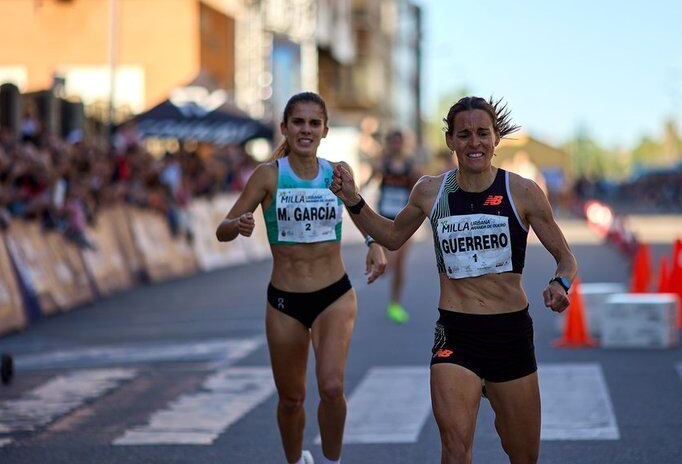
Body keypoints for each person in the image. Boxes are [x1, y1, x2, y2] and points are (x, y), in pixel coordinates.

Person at [331, 96, 577, 463]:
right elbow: (393, 236)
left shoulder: (522, 192)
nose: (474, 143)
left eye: (482, 134)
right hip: (456, 333)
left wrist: (561, 283)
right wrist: (353, 200)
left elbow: (566, 259)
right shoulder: (432, 191)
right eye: (464, 135)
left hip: (509, 333)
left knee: (522, 455)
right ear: (450, 140)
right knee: (455, 448)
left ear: (496, 139)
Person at [216, 92, 387, 464]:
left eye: (313, 123)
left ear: (324, 130)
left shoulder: (337, 173)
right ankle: (295, 461)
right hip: (285, 301)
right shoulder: (267, 176)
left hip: (334, 295)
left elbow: (359, 212)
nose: (305, 130)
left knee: (331, 386)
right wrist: (238, 224)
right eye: (298, 122)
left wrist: (374, 243)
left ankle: (331, 460)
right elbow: (222, 229)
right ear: (285, 128)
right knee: (291, 398)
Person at [364, 130, 421, 323]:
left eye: (399, 142)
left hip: (404, 220)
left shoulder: (411, 166)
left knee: (400, 263)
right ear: (388, 143)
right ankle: (380, 265)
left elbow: (420, 188)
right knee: (389, 264)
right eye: (393, 142)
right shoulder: (381, 163)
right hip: (384, 217)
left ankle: (395, 305)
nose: (396, 146)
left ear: (403, 144)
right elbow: (368, 182)